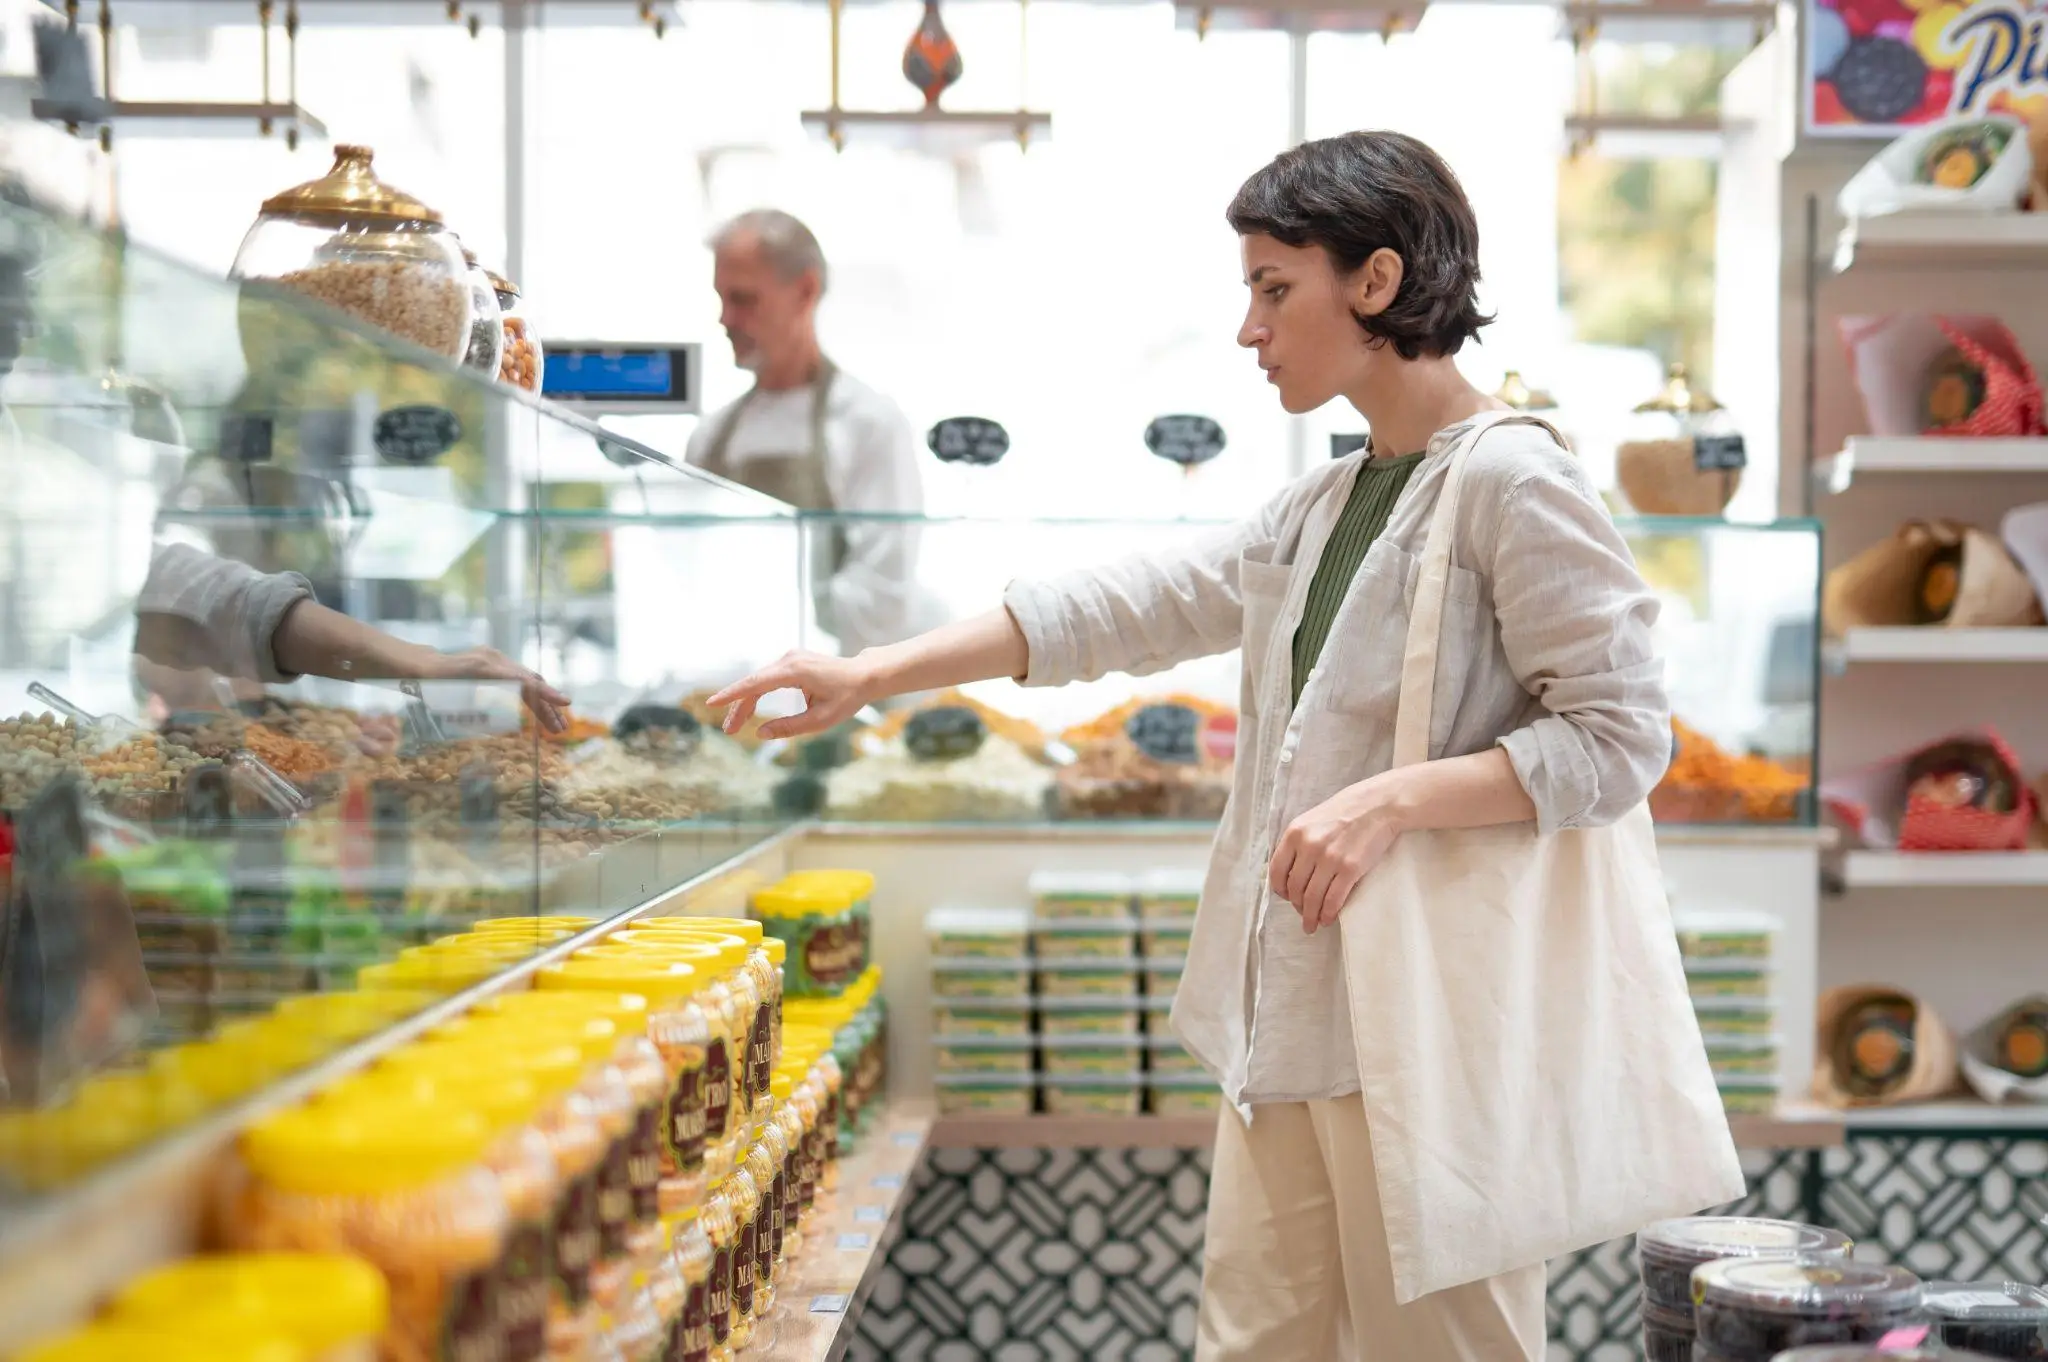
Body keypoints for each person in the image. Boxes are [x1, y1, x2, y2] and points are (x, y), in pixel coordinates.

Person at [709, 132, 1740, 1359]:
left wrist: (1390, 800)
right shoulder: (1329, 497)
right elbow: (1126, 606)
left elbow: (1619, 736)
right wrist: (871, 671)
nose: (1248, 330)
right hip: (1289, 1018)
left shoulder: (1514, 481)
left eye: (1271, 289)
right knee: (1252, 1337)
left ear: (1372, 281)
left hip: (1422, 1031)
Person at [688, 209, 925, 655]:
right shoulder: (709, 436)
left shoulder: (868, 423)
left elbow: (884, 600)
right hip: (727, 692)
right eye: (721, 299)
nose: (726, 319)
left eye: (744, 299)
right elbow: (690, 579)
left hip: (836, 698)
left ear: (805, 291)